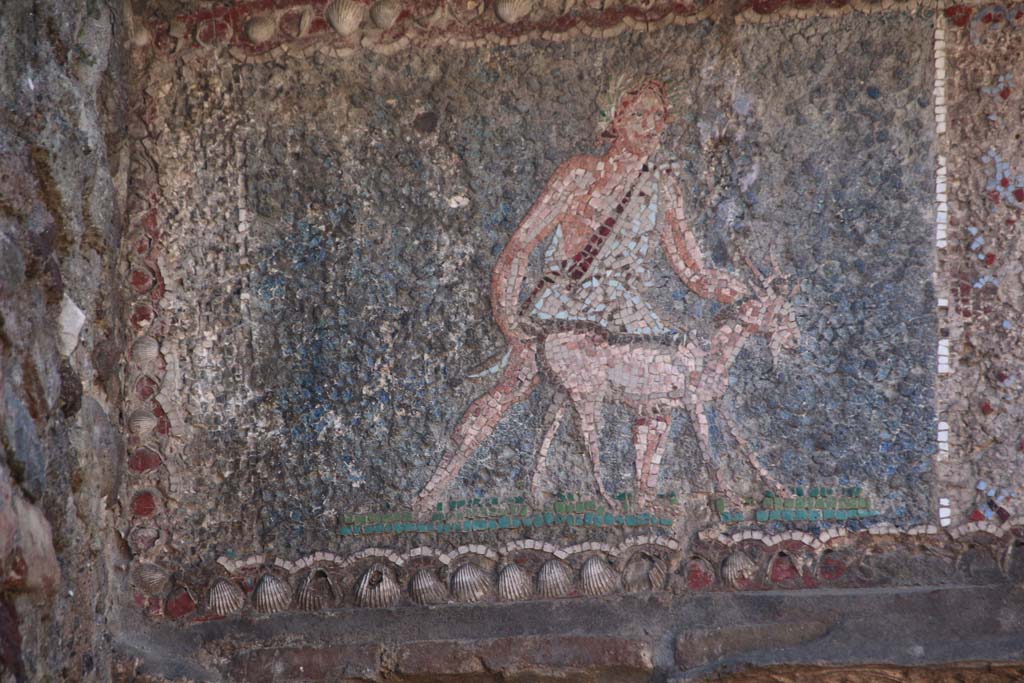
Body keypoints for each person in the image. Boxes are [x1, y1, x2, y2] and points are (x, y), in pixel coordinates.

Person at [415, 78, 749, 510]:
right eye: (638, 115)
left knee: (659, 388)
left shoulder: (663, 186)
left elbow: (695, 271)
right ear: (615, 120)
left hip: (624, 306)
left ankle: (644, 498)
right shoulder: (580, 174)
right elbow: (520, 248)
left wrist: (744, 296)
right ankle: (435, 487)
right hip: (567, 299)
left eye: (658, 116)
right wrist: (510, 323)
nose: (650, 126)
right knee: (514, 383)